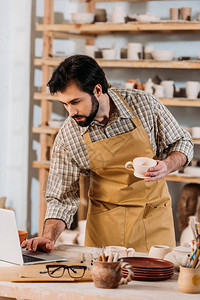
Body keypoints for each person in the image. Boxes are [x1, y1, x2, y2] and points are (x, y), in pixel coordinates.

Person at [22, 55, 194, 253]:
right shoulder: (69, 135)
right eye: (65, 104)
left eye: (75, 101)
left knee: (156, 282)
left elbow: (183, 142)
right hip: (104, 232)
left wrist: (167, 165)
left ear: (97, 90)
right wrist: (47, 237)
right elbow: (62, 197)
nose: (70, 111)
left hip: (152, 222)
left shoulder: (144, 105)